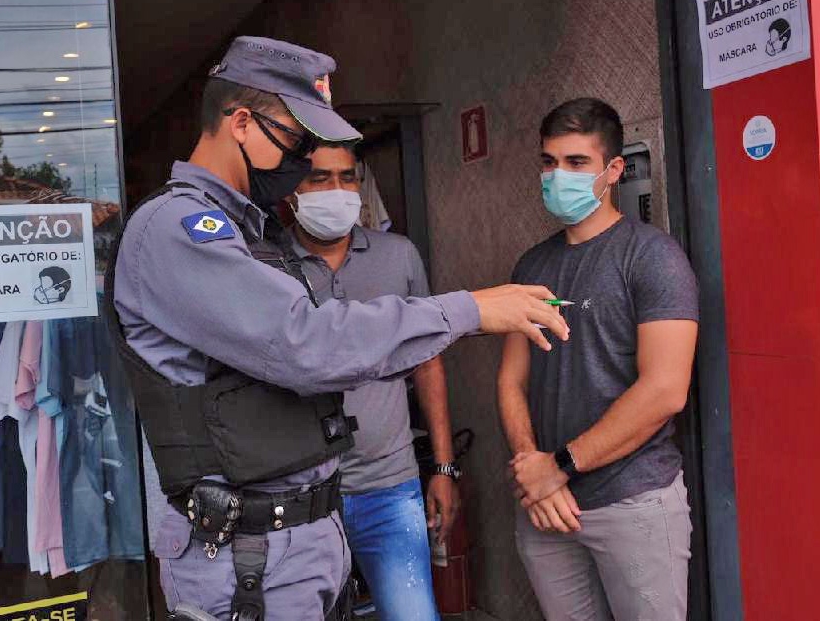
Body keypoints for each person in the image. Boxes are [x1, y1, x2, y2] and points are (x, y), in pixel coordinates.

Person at [107, 35, 569, 620]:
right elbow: (308, 342)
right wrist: (468, 310)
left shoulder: (250, 231)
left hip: (298, 542)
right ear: (242, 122)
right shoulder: (178, 230)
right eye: (297, 140)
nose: (303, 160)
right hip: (246, 554)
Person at [499, 98, 699, 621]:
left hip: (632, 501)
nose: (557, 175)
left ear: (613, 171)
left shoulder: (652, 256)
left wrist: (558, 467)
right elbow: (511, 381)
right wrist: (530, 470)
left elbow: (665, 390)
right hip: (546, 508)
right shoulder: (532, 264)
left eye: (576, 162)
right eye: (549, 162)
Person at [286, 143, 455, 620]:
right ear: (289, 189)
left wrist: (443, 469)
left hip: (390, 487)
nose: (336, 191)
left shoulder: (398, 255)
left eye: (346, 177)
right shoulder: (266, 265)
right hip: (300, 497)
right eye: (319, 179)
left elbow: (429, 362)